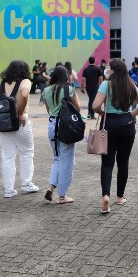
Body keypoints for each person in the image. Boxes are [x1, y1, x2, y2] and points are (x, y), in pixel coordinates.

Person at [93, 59, 138, 214]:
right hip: (127, 125)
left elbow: (95, 106)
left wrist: (102, 113)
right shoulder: (130, 84)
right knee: (123, 162)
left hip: (109, 124)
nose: (106, 69)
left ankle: (105, 196)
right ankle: (120, 197)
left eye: (109, 67)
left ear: (114, 70)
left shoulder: (106, 84)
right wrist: (131, 114)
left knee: (107, 163)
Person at [0, 60, 38, 197]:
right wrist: (20, 113)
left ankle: (8, 190)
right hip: (20, 122)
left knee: (8, 156)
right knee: (26, 152)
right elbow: (25, 94)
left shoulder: (2, 83)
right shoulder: (24, 81)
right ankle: (26, 184)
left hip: (4, 123)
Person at [43, 65, 81, 204]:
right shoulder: (69, 89)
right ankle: (62, 196)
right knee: (67, 162)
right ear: (66, 76)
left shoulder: (46, 90)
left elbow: (49, 110)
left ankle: (51, 186)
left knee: (57, 158)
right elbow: (77, 108)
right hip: (66, 127)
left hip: (52, 125)